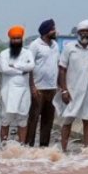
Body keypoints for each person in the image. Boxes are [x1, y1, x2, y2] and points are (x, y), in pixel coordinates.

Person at [56, 21, 88, 152]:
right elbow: (62, 69)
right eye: (82, 31)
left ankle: (87, 151)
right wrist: (64, 90)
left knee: (87, 120)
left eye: (87, 31)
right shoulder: (69, 48)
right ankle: (63, 150)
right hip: (72, 91)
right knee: (67, 121)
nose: (85, 33)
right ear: (77, 33)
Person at [0, 25, 35, 145]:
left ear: (21, 39)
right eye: (14, 38)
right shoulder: (4, 54)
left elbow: (31, 66)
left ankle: (21, 146)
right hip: (8, 91)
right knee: (5, 120)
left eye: (18, 38)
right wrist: (22, 70)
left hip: (24, 91)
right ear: (10, 40)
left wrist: (15, 66)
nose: (16, 40)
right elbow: (5, 69)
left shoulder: (28, 53)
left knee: (23, 119)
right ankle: (3, 146)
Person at [25, 19, 60, 148]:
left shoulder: (55, 45)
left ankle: (44, 146)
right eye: (53, 29)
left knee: (48, 120)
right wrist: (32, 87)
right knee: (33, 118)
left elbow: (57, 65)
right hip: (39, 89)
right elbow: (29, 67)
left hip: (52, 89)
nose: (55, 31)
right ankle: (29, 145)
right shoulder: (35, 45)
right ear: (46, 32)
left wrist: (60, 86)